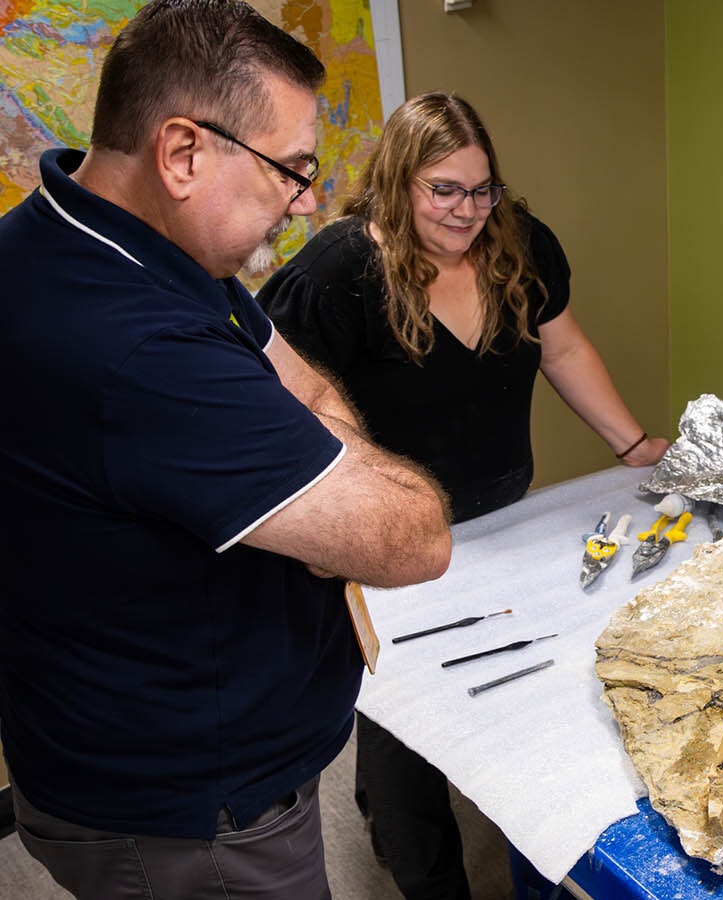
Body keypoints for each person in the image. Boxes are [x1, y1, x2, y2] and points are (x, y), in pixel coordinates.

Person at [0, 3, 453, 899]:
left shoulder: (95, 241)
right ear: (182, 152)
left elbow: (306, 386)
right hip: (190, 819)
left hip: (96, 739)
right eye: (291, 169)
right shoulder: (138, 350)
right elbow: (414, 537)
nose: (311, 200)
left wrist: (311, 445)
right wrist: (333, 464)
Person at [257, 91, 669, 900]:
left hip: (505, 512)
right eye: (443, 190)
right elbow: (280, 404)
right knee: (403, 720)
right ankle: (425, 875)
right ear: (398, 184)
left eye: (481, 189)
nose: (468, 210)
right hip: (390, 538)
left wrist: (631, 444)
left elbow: (565, 346)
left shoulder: (519, 240)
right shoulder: (341, 271)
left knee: (501, 690)